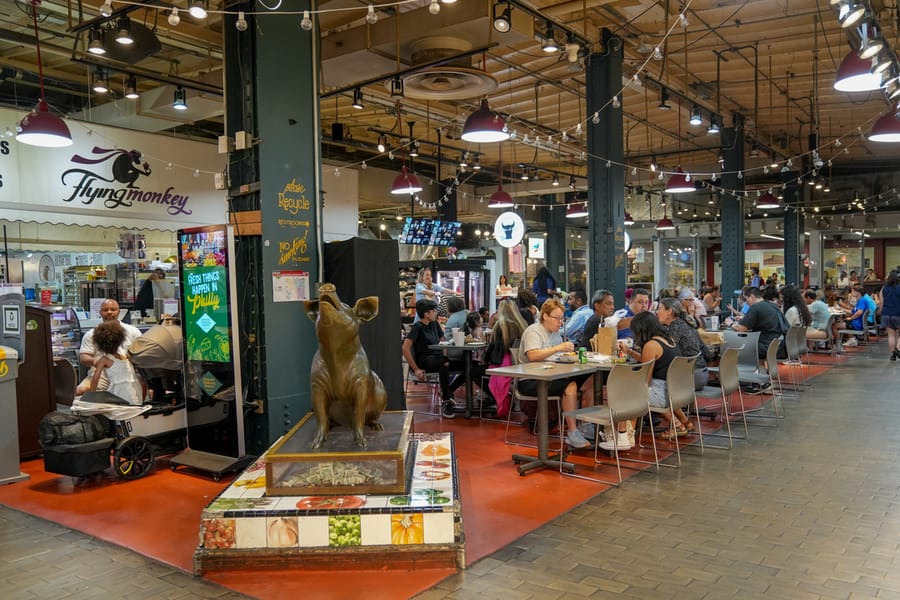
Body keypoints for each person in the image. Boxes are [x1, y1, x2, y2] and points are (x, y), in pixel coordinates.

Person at [518, 299, 593, 449]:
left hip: (552, 375)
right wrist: (558, 348)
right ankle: (572, 433)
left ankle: (587, 425)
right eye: (557, 318)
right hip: (531, 379)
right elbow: (532, 356)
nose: (560, 323)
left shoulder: (555, 334)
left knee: (590, 380)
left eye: (562, 319)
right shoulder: (534, 331)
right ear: (545, 316)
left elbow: (556, 358)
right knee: (570, 386)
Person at [615, 311, 694, 446]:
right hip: (676, 392)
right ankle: (682, 423)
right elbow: (652, 361)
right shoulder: (669, 340)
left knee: (625, 393)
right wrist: (629, 352)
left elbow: (646, 380)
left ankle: (625, 435)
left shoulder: (651, 345)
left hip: (662, 395)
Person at [402, 299, 465, 419]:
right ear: (426, 313)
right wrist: (416, 369)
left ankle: (448, 390)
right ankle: (447, 401)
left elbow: (443, 341)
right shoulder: (417, 327)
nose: (436, 313)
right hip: (425, 360)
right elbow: (405, 349)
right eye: (434, 311)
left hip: (438, 358)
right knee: (444, 362)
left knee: (468, 365)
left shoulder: (434, 324)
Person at [656, 297, 713, 390]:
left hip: (690, 377)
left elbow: (667, 353)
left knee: (654, 379)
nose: (657, 312)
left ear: (669, 311)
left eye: (659, 308)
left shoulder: (675, 327)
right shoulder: (687, 324)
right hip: (702, 374)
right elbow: (706, 353)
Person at [484, 299, 528, 417]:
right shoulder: (521, 324)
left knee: (473, 372)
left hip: (503, 364)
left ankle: (494, 399)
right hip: (518, 363)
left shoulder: (501, 325)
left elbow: (494, 347)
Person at [88, 321, 146, 406]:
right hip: (134, 388)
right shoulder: (126, 356)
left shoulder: (104, 360)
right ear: (120, 340)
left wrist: (91, 398)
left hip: (118, 392)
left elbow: (95, 380)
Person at [79, 298, 142, 369]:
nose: (109, 312)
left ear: (119, 312)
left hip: (128, 371)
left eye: (113, 309)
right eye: (105, 310)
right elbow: (83, 357)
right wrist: (97, 361)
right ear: (100, 312)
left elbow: (142, 352)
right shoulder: (91, 334)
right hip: (101, 372)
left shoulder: (133, 331)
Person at [732, 286, 788, 359]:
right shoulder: (772, 305)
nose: (746, 303)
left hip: (765, 347)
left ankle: (739, 368)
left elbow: (741, 329)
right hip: (779, 346)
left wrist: (731, 324)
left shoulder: (755, 307)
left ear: (751, 297)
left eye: (746, 299)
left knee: (735, 345)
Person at [880, 270, 900, 360]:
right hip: (898, 313)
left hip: (886, 313)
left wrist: (881, 312)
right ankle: (897, 350)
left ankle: (893, 354)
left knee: (891, 335)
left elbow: (882, 302)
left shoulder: (884, 288)